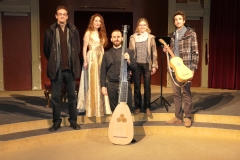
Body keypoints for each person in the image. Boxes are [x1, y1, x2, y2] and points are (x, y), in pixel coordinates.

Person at [43, 5, 81, 131]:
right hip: (57, 70)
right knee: (55, 98)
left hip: (70, 69)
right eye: (60, 14)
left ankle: (73, 121)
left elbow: (77, 48)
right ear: (56, 16)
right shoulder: (50, 31)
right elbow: (47, 50)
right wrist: (55, 61)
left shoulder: (74, 30)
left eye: (64, 14)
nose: (62, 16)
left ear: (67, 16)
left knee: (72, 97)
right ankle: (56, 121)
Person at [163, 11, 199, 127]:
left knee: (186, 93)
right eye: (176, 19)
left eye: (179, 19)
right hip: (174, 68)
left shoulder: (191, 34)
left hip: (186, 68)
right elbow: (171, 52)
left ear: (184, 20)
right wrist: (167, 51)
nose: (177, 21)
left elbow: (195, 52)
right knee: (176, 94)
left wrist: (193, 68)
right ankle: (178, 117)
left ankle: (187, 117)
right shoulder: (172, 35)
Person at [101, 30, 137, 144]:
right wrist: (103, 86)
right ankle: (116, 133)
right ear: (111, 39)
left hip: (125, 84)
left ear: (122, 38)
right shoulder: (107, 54)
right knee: (114, 110)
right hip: (111, 84)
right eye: (114, 37)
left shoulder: (128, 51)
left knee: (127, 110)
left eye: (118, 37)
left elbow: (135, 67)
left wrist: (129, 60)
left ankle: (129, 134)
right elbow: (102, 71)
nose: (116, 38)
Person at [77, 14, 111, 117]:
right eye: (96, 21)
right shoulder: (88, 33)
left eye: (99, 21)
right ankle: (92, 107)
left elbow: (102, 48)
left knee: (101, 80)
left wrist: (105, 60)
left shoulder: (102, 33)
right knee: (93, 81)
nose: (98, 23)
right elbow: (84, 48)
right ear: (92, 22)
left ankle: (102, 106)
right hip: (92, 58)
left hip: (100, 57)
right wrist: (85, 61)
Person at [129, 18, 158, 116]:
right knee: (137, 87)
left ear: (147, 26)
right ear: (138, 26)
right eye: (140, 25)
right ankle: (137, 107)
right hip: (136, 64)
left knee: (147, 87)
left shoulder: (150, 37)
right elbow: (130, 52)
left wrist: (154, 65)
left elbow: (154, 52)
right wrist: (130, 66)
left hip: (146, 64)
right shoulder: (133, 37)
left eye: (144, 25)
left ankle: (147, 107)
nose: (142, 26)